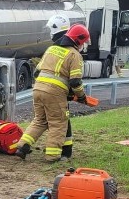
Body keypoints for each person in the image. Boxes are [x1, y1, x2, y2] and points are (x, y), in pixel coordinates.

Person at [15, 16, 90, 162]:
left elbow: (37, 72)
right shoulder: (75, 55)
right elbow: (75, 81)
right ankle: (52, 155)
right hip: (54, 93)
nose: (83, 46)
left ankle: (22, 146)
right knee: (58, 122)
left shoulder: (51, 49)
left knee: (40, 120)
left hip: (37, 90)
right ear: (79, 40)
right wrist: (81, 96)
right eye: (83, 42)